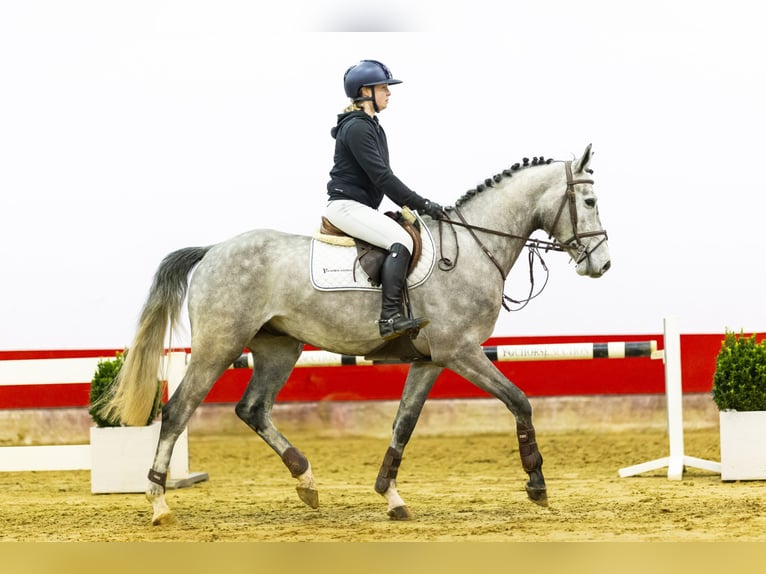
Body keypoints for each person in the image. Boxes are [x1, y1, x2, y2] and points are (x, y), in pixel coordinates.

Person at [325, 59, 444, 341]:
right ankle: (390, 317)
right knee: (400, 242)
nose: (389, 93)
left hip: (361, 207)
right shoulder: (357, 127)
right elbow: (383, 177)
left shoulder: (372, 126)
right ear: (365, 91)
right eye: (384, 88)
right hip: (345, 207)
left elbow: (382, 178)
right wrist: (422, 204)